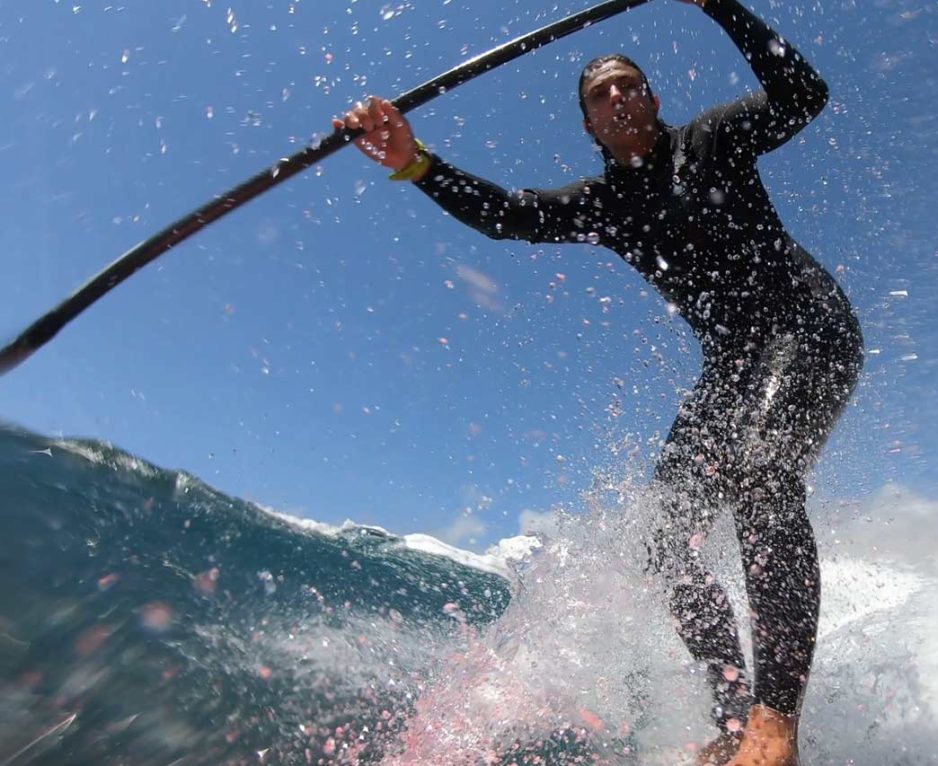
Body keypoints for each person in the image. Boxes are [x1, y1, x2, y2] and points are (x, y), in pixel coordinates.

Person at [337, 0, 862, 763]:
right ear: (589, 124)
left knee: (761, 477)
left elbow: (802, 97)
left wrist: (715, 3)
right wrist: (416, 162)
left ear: (652, 99)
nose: (619, 95)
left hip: (807, 331)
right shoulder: (606, 205)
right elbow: (507, 216)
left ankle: (775, 724)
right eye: (600, 93)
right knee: (661, 544)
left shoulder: (712, 140)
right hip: (733, 371)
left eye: (630, 84)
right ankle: (731, 718)